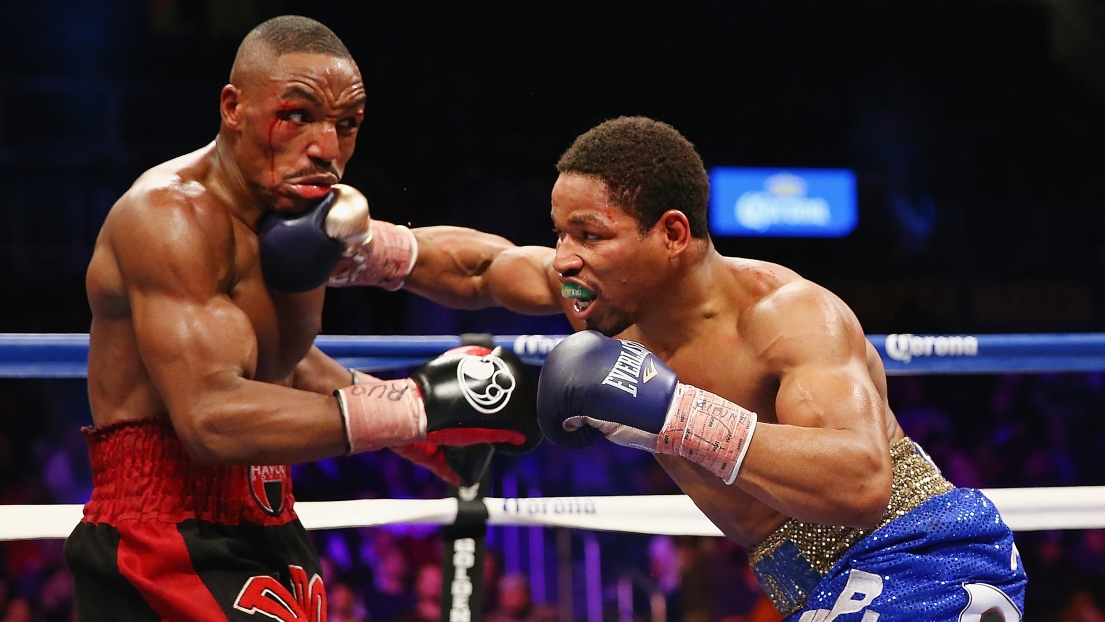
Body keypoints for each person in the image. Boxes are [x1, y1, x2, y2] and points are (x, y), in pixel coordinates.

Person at [321, 116, 1028, 620]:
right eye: (560, 232)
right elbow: (482, 267)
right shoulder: (599, 295)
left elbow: (860, 481)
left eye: (589, 235)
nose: (564, 257)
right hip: (812, 584)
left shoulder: (787, 315)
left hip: (921, 556)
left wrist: (673, 413)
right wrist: (358, 251)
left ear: (672, 234)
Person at [66, 15, 539, 621]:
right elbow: (210, 419)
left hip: (270, 517)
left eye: (346, 126)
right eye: (297, 116)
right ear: (233, 108)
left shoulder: (305, 220)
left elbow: (282, 361)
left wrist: (416, 429)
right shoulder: (168, 218)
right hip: (160, 534)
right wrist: (416, 405)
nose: (326, 149)